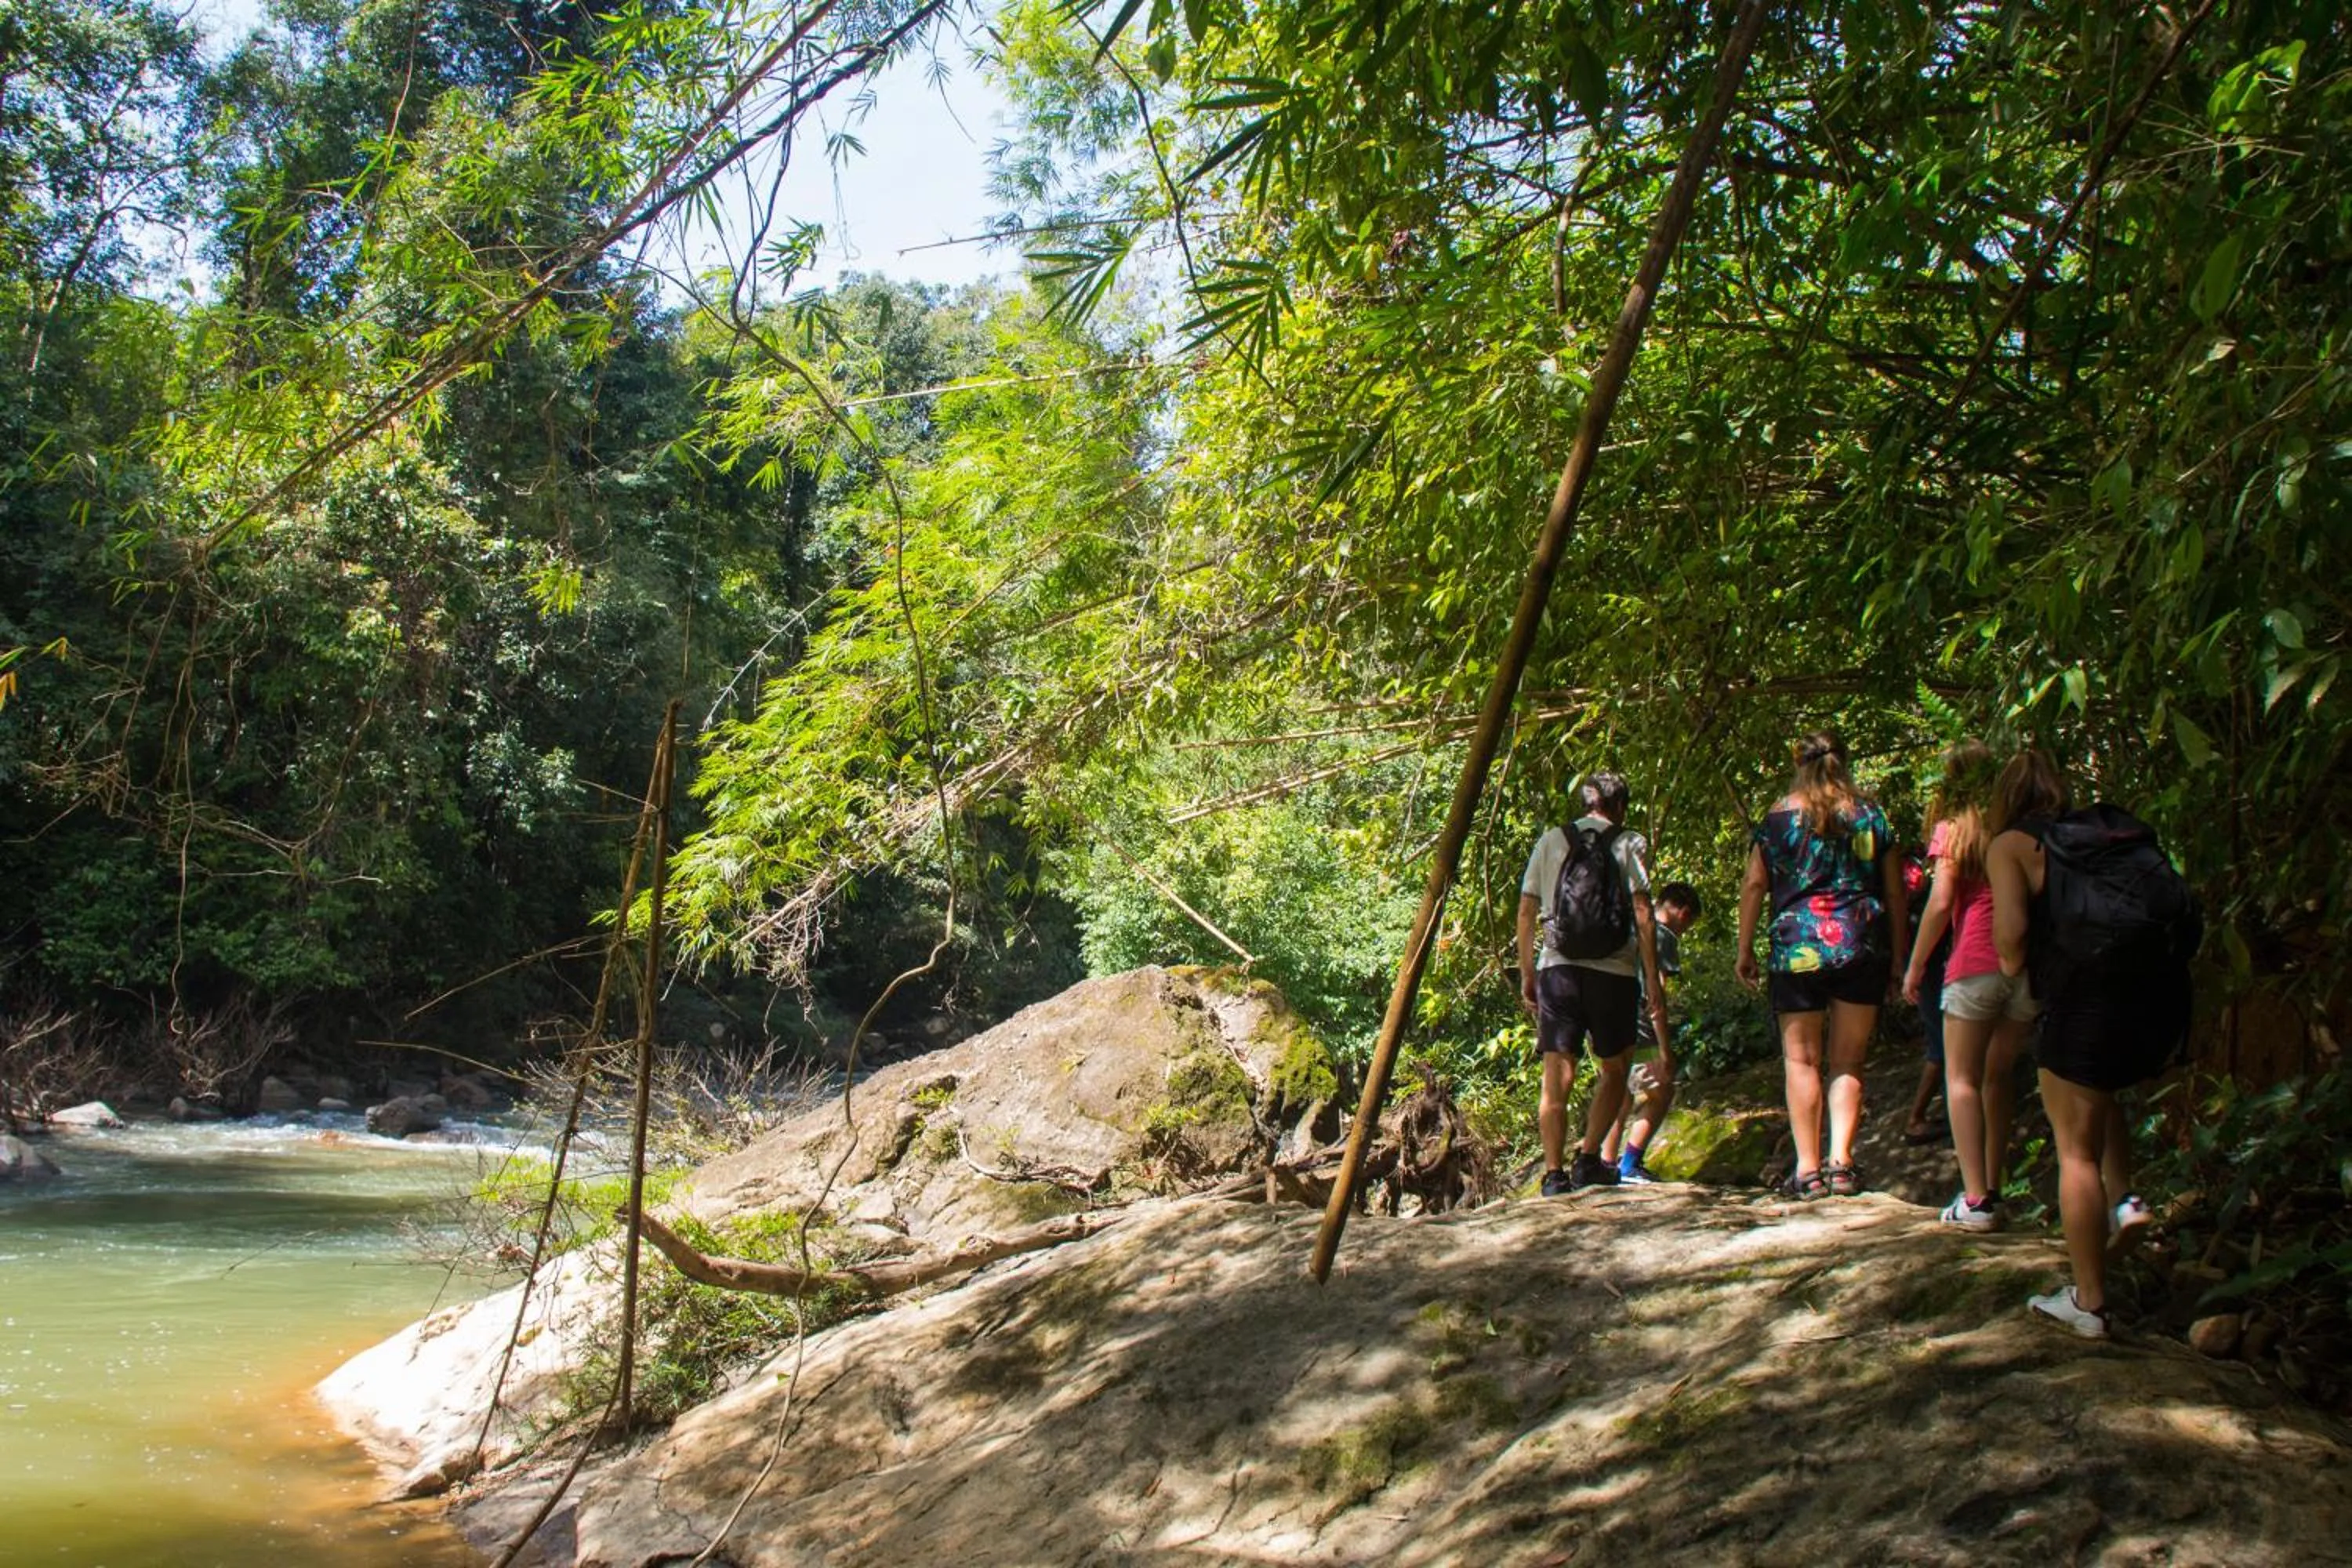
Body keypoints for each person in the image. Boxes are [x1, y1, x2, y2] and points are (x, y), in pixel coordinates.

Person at [1987, 750, 2187, 1339]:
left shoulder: (2011, 846)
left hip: (2084, 997)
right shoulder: (2101, 834)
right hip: (2154, 993)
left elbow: (2011, 942)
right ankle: (2126, 1198)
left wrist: (2015, 968)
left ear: (2007, 798)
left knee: (2073, 1147)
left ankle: (2089, 1302)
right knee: (2101, 1094)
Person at [1734, 730, 1909, 1199]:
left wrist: (1745, 948)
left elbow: (1755, 885)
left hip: (1796, 947)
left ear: (1798, 764)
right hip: (1860, 942)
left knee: (1801, 1059)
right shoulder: (1870, 815)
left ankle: (1808, 1171)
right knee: (1848, 1060)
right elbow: (1895, 891)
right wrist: (1901, 954)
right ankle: (1842, 1164)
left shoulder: (1777, 819)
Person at [1518, 772, 1671, 1194]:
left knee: (1557, 1074)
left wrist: (1528, 971)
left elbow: (1527, 911)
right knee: (1615, 1069)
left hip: (1558, 970)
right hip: (1615, 973)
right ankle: (1588, 1158)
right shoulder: (1629, 842)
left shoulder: (1551, 840)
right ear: (1619, 806)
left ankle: (1552, 1174)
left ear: (1585, 804)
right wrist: (1651, 979)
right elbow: (1642, 912)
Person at [1903, 740, 2034, 1232]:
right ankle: (1994, 1189)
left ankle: (1976, 1199)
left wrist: (1915, 966)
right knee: (1999, 1078)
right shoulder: (2015, 827)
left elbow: (1940, 903)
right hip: (2021, 967)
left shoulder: (1954, 829)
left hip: (1973, 963)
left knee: (1962, 1079)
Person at [1601, 881, 1703, 1183]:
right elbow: (1656, 995)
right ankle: (1629, 1164)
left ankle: (1605, 1163)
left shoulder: (1629, 927)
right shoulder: (1663, 936)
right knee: (1663, 1091)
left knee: (1618, 1092)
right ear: (1683, 914)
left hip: (1606, 1018)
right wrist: (1665, 1048)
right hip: (1640, 1027)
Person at [1898, 842, 1950, 1145]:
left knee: (1943, 1040)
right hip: (1926, 961)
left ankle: (1926, 1116)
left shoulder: (1906, 861)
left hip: (1928, 959)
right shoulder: (1910, 864)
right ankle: (1916, 1119)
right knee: (1942, 1043)